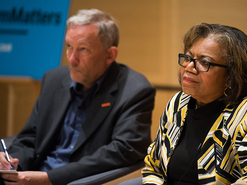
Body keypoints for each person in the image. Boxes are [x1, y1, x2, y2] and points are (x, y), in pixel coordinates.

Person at [0, 9, 155, 185]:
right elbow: (30, 137)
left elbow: (124, 150)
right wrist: (13, 166)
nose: (72, 59)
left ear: (110, 54)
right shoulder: (54, 79)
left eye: (83, 49)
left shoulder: (135, 90)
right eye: (69, 47)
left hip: (77, 180)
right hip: (32, 175)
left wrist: (48, 179)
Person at [142, 23, 247, 184]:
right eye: (188, 58)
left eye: (204, 62)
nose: (190, 67)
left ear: (232, 75)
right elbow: (153, 167)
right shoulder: (178, 103)